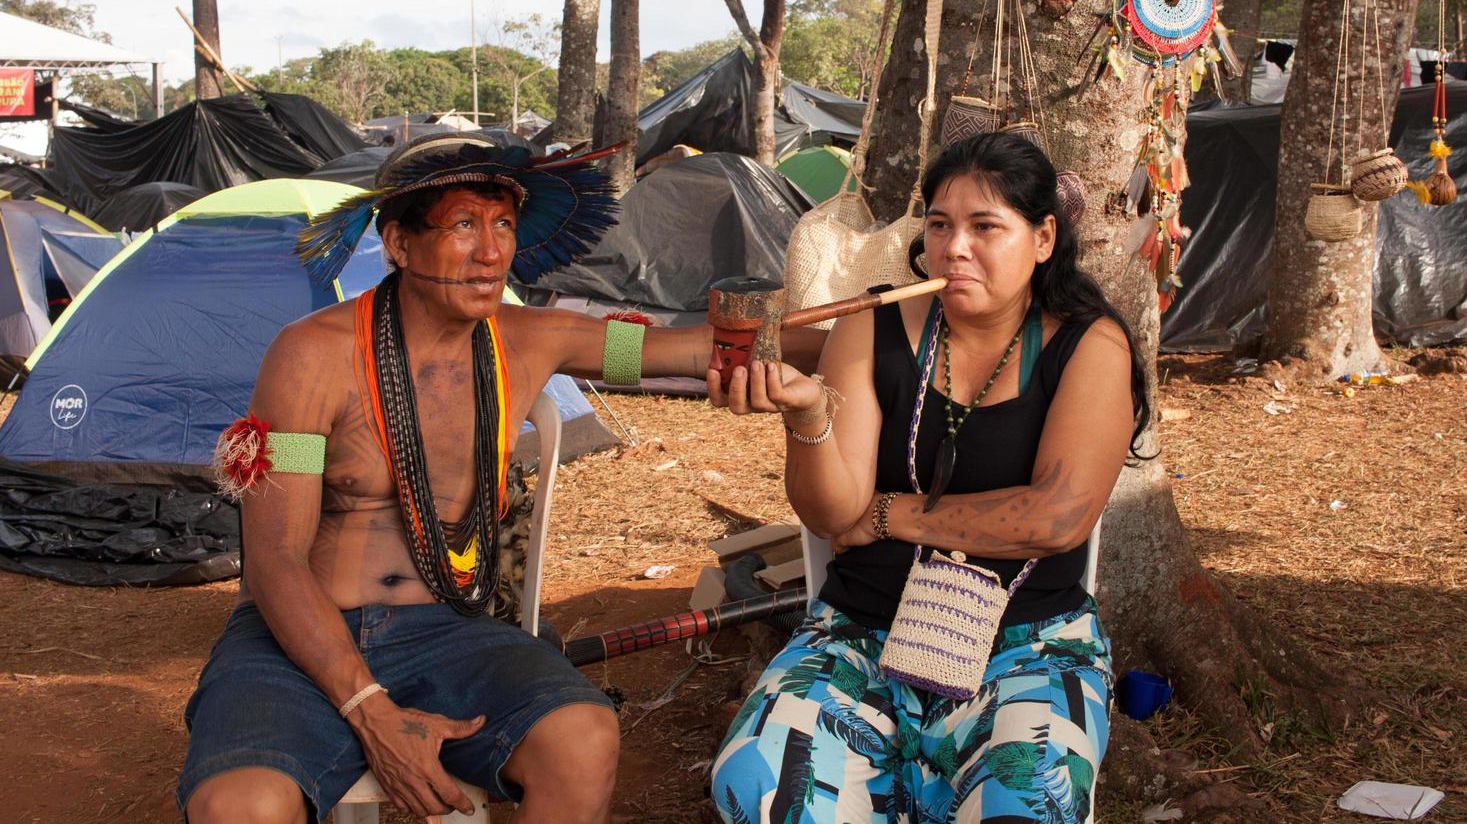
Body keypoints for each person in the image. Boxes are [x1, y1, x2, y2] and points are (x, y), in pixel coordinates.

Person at [179, 135, 821, 824]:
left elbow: (683, 351)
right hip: (300, 636)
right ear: (398, 242)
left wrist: (782, 341)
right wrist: (367, 708)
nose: (491, 252)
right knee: (238, 804)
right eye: (462, 226)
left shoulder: (532, 337)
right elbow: (273, 561)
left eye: (503, 225)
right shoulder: (311, 355)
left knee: (580, 736)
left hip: (449, 630)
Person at [708, 132, 1151, 823]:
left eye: (985, 227)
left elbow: (1056, 518)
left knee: (1027, 803)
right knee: (758, 786)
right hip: (861, 631)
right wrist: (807, 416)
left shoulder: (1087, 344)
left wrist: (888, 516)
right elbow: (832, 515)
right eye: (939, 225)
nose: (954, 248)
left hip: (1028, 644)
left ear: (1041, 239)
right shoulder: (873, 325)